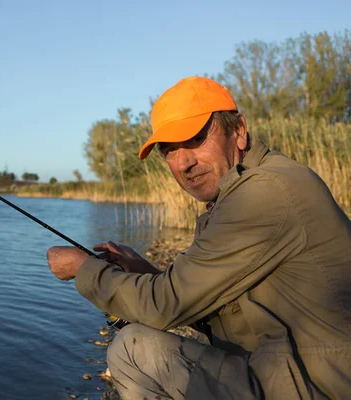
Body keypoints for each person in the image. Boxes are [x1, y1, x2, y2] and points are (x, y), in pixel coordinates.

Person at [46, 76, 351, 399]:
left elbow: (166, 305)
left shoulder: (264, 193)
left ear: (239, 131)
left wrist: (84, 270)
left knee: (133, 349)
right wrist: (146, 273)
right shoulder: (237, 195)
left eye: (195, 139)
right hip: (289, 376)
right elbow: (210, 310)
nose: (183, 163)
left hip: (320, 388)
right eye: (169, 151)